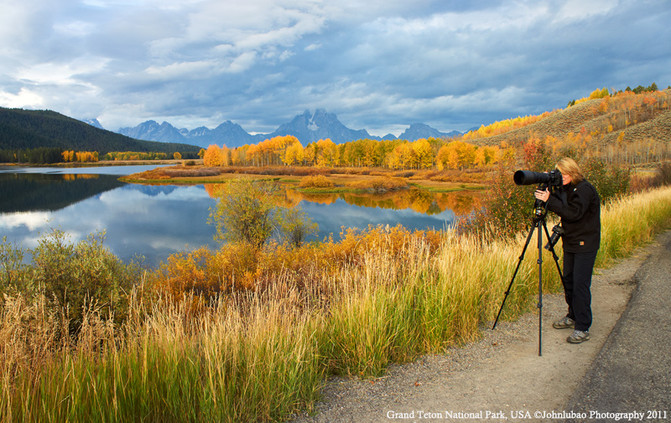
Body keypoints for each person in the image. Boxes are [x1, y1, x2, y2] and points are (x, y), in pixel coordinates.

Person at [534, 158, 600, 344]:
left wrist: (549, 199)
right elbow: (562, 206)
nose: (562, 178)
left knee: (580, 285)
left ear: (573, 173)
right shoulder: (566, 188)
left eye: (565, 174)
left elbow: (573, 213)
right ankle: (572, 316)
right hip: (570, 242)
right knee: (569, 281)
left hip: (585, 244)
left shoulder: (585, 189)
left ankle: (583, 327)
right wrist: (548, 187)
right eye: (559, 174)